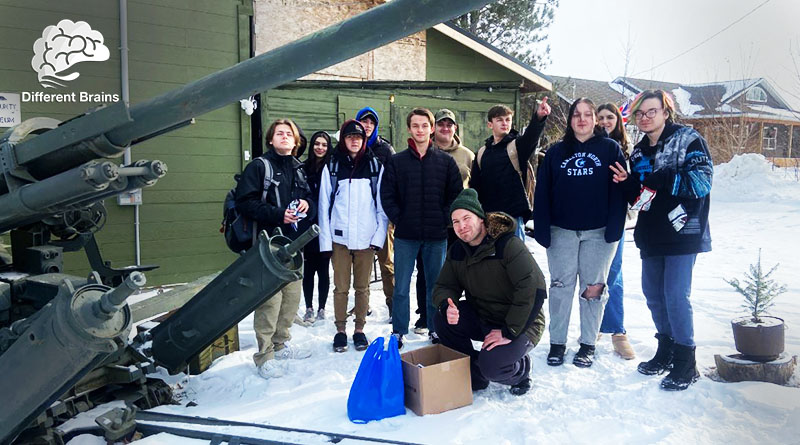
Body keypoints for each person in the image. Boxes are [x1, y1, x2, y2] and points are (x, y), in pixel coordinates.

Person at [609, 90, 713, 391]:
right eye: (640, 113)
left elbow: (702, 182)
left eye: (651, 112)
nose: (645, 117)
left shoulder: (688, 139)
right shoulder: (639, 152)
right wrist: (629, 185)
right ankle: (666, 350)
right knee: (653, 295)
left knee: (675, 295)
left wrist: (665, 178)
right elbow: (642, 199)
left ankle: (686, 360)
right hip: (652, 233)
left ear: (666, 112)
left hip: (684, 231)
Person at [532, 98, 627, 368]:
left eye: (588, 115)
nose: (582, 120)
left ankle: (587, 344)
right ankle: (558, 343)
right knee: (561, 288)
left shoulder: (610, 149)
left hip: (599, 234)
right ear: (570, 119)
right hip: (561, 231)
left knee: (593, 290)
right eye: (577, 115)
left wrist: (614, 229)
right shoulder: (556, 152)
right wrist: (542, 229)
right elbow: (542, 193)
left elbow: (620, 191)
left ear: (595, 120)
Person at [433, 189, 546, 396]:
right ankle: (474, 375)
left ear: (481, 219)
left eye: (467, 218)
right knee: (442, 319)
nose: (461, 226)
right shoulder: (458, 250)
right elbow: (444, 286)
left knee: (493, 366)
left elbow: (533, 289)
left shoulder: (508, 245)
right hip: (484, 316)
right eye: (455, 221)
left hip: (522, 323)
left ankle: (520, 370)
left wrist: (509, 331)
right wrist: (445, 304)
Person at [235, 118, 315, 379]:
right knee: (270, 301)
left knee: (291, 298)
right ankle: (264, 355)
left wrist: (306, 203)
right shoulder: (259, 167)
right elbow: (244, 202)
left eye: (289, 134)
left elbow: (311, 202)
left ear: (296, 141)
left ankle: (281, 344)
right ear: (271, 139)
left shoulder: (299, 168)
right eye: (279, 133)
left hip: (294, 244)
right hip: (267, 246)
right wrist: (279, 215)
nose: (284, 137)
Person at [381, 107, 463, 347]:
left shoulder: (445, 162)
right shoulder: (397, 162)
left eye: (424, 125)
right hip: (406, 235)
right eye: (415, 126)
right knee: (402, 287)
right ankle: (398, 330)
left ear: (432, 128)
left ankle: (435, 328)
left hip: (436, 235)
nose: (420, 130)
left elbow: (455, 195)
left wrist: (443, 218)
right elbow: (387, 195)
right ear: (409, 129)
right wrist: (400, 218)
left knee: (435, 285)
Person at [319, 120, 388, 352]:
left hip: (366, 239)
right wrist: (326, 240)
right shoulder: (333, 165)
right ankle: (340, 330)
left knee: (362, 287)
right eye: (350, 137)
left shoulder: (374, 165)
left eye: (358, 137)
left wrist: (378, 236)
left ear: (364, 139)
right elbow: (324, 204)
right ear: (343, 139)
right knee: (340, 287)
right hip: (340, 238)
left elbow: (381, 205)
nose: (354, 140)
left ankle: (359, 329)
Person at [411, 109, 476, 335]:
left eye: (449, 124)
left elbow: (475, 188)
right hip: (432, 222)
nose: (445, 128)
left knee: (461, 270)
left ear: (455, 128)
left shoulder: (467, 155)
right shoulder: (425, 153)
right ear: (433, 128)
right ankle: (425, 316)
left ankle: (461, 313)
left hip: (461, 227)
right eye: (441, 124)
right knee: (427, 272)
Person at [469, 98, 551, 240]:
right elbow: (475, 187)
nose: (505, 123)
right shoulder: (481, 153)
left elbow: (531, 137)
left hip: (513, 217)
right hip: (488, 217)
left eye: (508, 119)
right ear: (490, 124)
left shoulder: (517, 146)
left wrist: (539, 117)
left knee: (515, 259)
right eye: (499, 120)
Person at [596, 103, 636, 360]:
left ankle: (618, 332)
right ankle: (595, 325)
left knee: (614, 273)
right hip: (590, 220)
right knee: (591, 276)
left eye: (610, 117)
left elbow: (634, 187)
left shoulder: (628, 150)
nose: (604, 121)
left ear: (618, 121)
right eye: (599, 117)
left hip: (615, 220)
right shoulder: (587, 146)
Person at [356, 107, 396, 317]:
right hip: (359, 216)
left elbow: (395, 181)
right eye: (364, 121)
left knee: (386, 262)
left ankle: (392, 304)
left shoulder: (385, 150)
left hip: (382, 214)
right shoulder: (352, 147)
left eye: (371, 122)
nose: (368, 125)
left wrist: (391, 212)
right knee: (360, 263)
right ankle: (362, 304)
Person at [301, 131, 332, 323]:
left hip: (325, 225)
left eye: (324, 145)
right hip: (307, 224)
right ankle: (309, 307)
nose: (320, 148)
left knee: (323, 268)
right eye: (317, 144)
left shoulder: (331, 167)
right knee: (308, 269)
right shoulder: (304, 168)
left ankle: (322, 307)